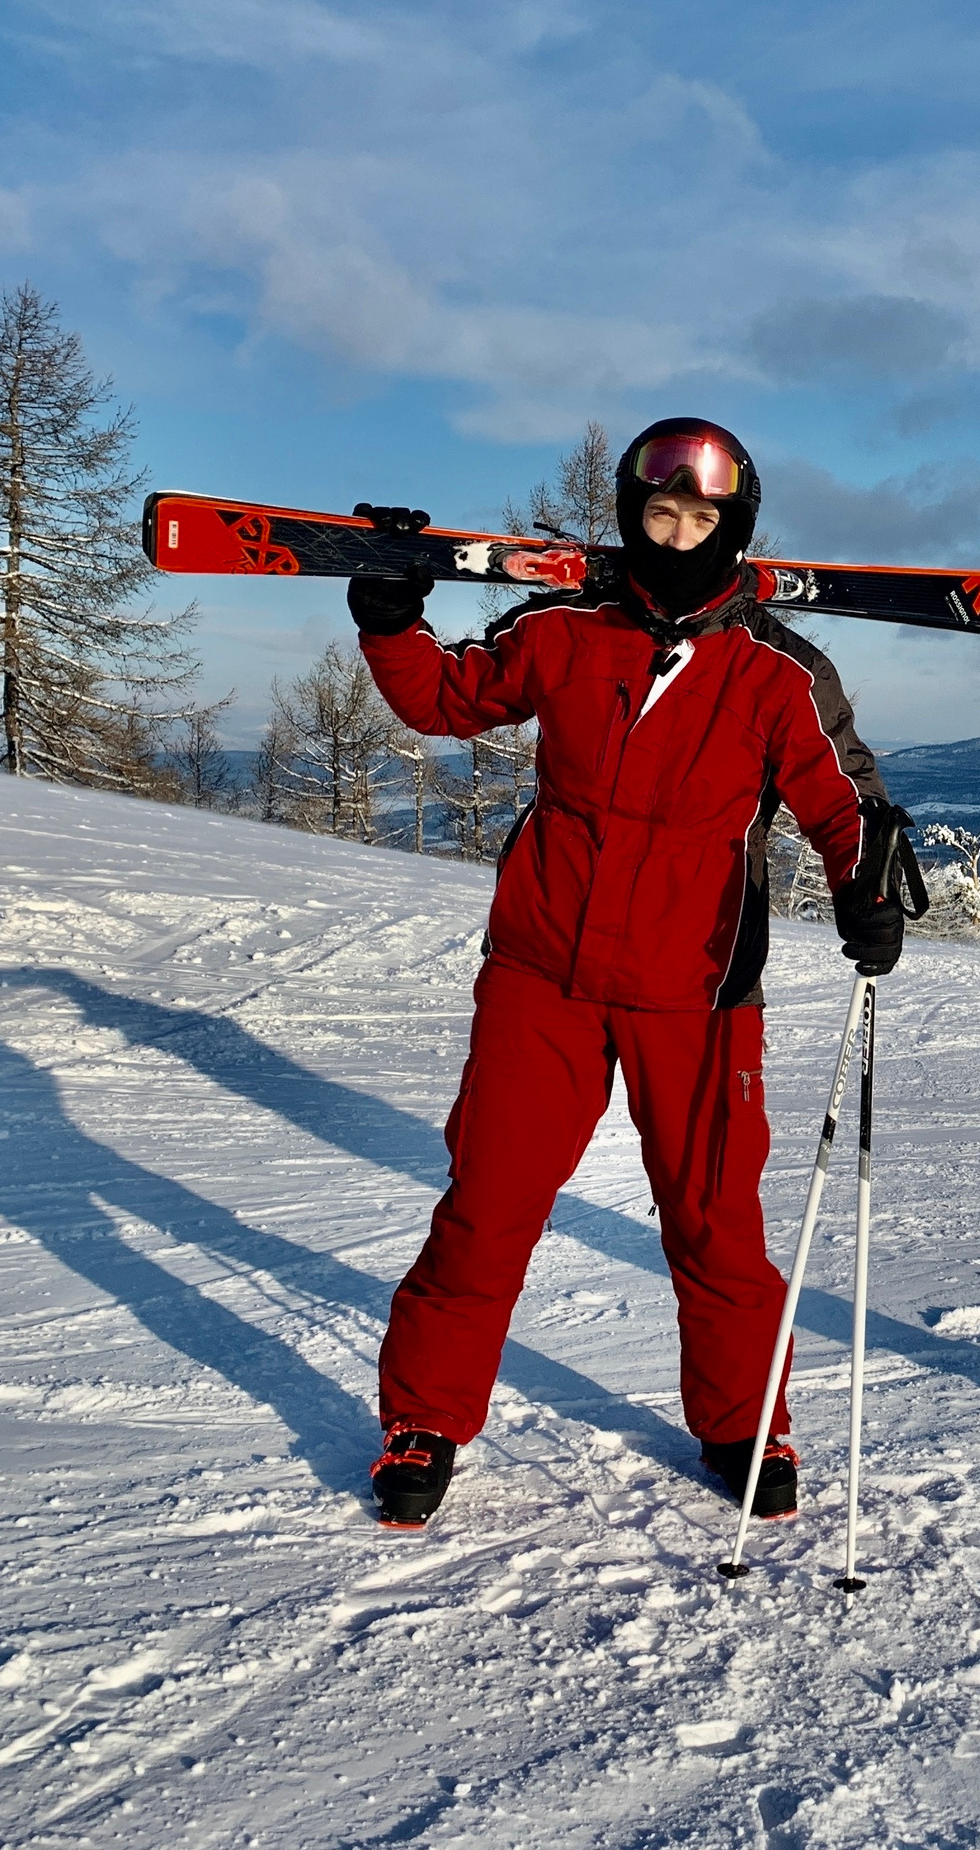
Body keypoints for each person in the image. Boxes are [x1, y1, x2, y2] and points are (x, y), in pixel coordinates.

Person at [344, 417, 914, 1529]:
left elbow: (845, 796)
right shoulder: (564, 629)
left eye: (704, 519)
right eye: (662, 514)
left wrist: (867, 885)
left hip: (696, 989)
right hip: (542, 972)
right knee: (490, 1205)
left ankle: (744, 1421)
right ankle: (424, 1418)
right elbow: (446, 700)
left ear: (735, 530)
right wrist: (391, 623)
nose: (681, 534)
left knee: (713, 1222)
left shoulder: (778, 669)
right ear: (631, 517)